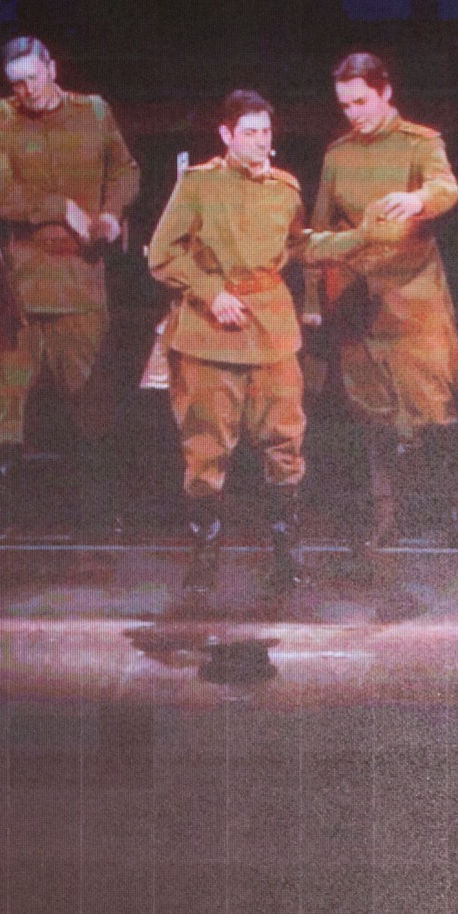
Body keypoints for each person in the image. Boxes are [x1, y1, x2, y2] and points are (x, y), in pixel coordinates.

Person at [148, 90, 376, 593]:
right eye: (249, 132)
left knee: (285, 442)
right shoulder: (199, 185)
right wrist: (211, 293)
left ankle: (285, 554)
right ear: (226, 135)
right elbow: (162, 254)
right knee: (206, 448)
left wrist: (359, 237)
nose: (259, 141)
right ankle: (204, 558)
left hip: (271, 330)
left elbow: (299, 245)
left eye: (265, 132)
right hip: (210, 334)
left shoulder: (285, 188)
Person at [0, 35, 139, 537]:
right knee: (3, 398)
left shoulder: (93, 112)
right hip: (17, 284)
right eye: (16, 83)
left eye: (33, 77)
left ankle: (98, 510)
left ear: (51, 67)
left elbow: (125, 169)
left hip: (79, 280)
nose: (26, 89)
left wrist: (111, 214)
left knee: (91, 398)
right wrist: (59, 207)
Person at [304, 51, 458, 547]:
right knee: (371, 409)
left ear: (385, 92)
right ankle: (386, 519)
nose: (354, 113)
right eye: (346, 105)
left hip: (413, 297)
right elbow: (318, 231)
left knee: (430, 403)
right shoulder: (338, 155)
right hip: (357, 297)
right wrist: (312, 301)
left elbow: (445, 187)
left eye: (361, 101)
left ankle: (443, 516)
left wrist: (418, 200)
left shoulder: (420, 142)